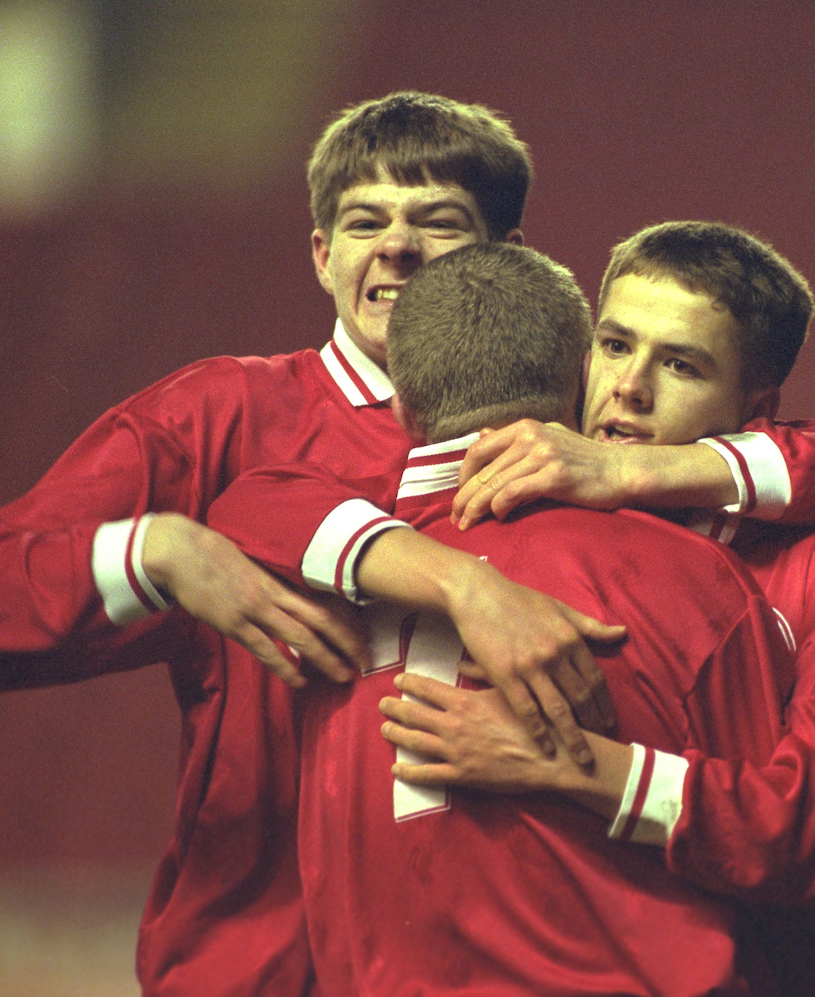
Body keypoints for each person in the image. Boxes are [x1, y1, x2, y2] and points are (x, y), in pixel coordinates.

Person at [0, 91, 628, 995]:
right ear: (322, 256)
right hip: (265, 972)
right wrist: (156, 550)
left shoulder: (570, 434)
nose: (397, 248)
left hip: (513, 965)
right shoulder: (220, 420)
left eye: (438, 222)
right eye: (364, 221)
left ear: (508, 259)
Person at [377, 222, 815, 994]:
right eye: (617, 344)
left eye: (682, 365)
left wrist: (579, 768)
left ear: (755, 407)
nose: (629, 386)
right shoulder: (523, 509)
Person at [207, 241, 800, 994]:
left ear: (400, 404)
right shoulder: (696, 582)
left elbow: (237, 503)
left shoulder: (289, 588)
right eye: (616, 348)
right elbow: (778, 856)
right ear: (576, 375)